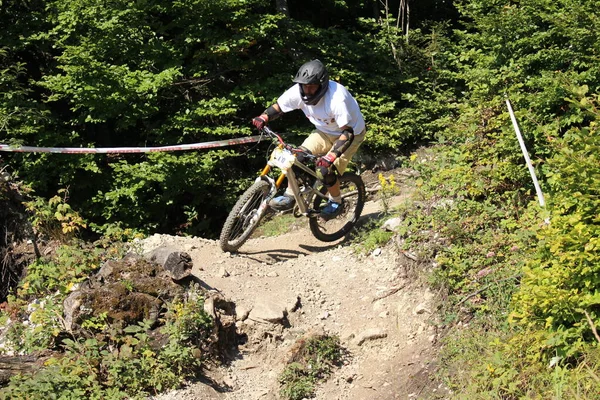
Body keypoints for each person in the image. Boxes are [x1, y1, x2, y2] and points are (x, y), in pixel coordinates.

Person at [252, 59, 366, 219]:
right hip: (323, 132)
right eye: (305, 86)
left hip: (351, 134)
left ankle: (336, 201)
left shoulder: (336, 99)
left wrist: (330, 157)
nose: (307, 90)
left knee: (325, 170)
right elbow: (278, 106)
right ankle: (290, 196)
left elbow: (347, 134)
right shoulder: (297, 92)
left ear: (322, 85)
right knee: (295, 157)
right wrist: (264, 116)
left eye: (312, 86)